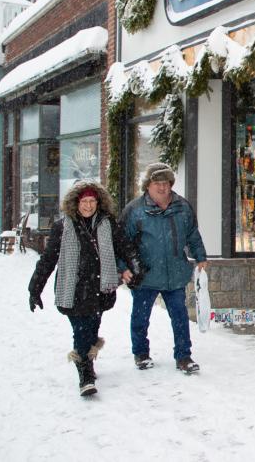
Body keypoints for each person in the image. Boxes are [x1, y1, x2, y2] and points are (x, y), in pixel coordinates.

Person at [28, 181, 142, 397]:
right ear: (75, 203)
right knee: (81, 331)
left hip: (100, 288)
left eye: (92, 201)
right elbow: (48, 259)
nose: (88, 206)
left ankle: (86, 361)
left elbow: (125, 247)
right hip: (73, 289)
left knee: (91, 330)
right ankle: (86, 376)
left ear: (98, 202)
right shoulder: (63, 227)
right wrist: (35, 288)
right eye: (84, 202)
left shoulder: (107, 224)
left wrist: (136, 269)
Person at [120, 162, 208, 374]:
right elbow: (121, 242)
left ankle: (183, 356)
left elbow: (192, 234)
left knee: (180, 316)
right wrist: (123, 267)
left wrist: (200, 256)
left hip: (175, 273)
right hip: (145, 275)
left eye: (166, 183)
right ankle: (141, 353)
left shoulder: (182, 207)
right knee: (140, 317)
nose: (162, 188)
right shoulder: (134, 210)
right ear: (148, 185)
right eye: (157, 183)